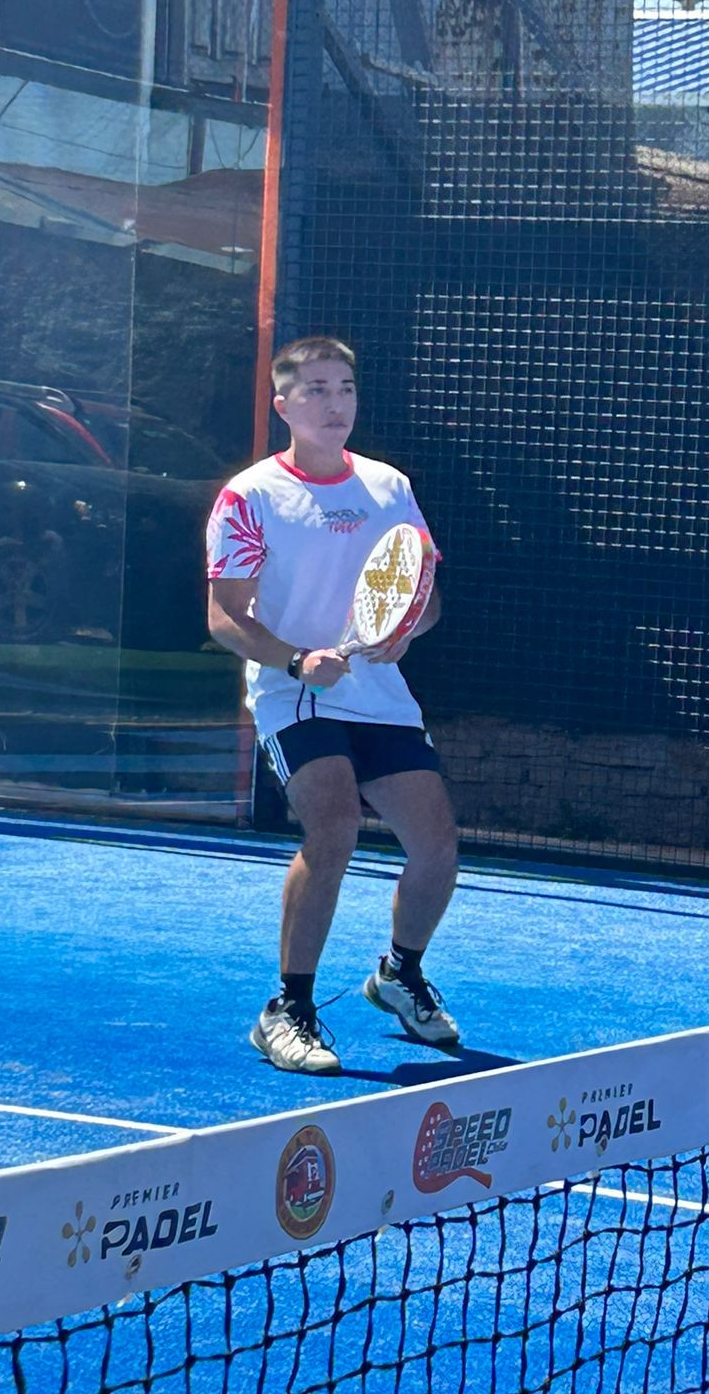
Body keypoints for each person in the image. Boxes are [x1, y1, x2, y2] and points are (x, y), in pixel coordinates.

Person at [206, 336, 460, 1075]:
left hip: (379, 696)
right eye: (315, 389)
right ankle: (287, 1009)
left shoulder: (389, 486)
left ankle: (399, 975)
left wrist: (405, 632)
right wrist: (295, 660)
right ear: (283, 405)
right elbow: (224, 617)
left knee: (437, 846)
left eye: (345, 387)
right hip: (292, 694)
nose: (334, 403)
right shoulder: (249, 496)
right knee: (336, 827)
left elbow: (423, 594)